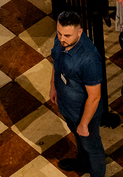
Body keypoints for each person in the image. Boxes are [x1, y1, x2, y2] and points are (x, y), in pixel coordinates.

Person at [50, 10, 106, 177]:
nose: (62, 39)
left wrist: (84, 124)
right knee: (78, 137)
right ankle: (82, 162)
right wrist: (53, 86)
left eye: (67, 35)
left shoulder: (89, 59)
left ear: (80, 32)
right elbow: (56, 62)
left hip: (84, 113)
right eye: (59, 33)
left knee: (92, 146)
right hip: (67, 106)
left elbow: (94, 97)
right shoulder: (61, 40)